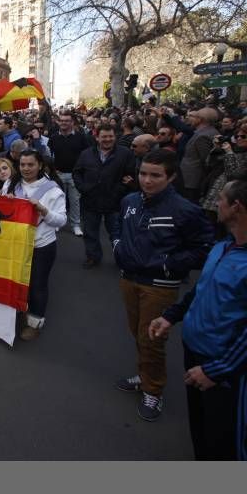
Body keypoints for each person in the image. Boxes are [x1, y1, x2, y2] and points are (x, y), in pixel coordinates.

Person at [149, 179, 247, 459]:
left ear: (236, 207)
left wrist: (219, 370)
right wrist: (171, 316)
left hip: (225, 369)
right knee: (200, 431)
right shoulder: (223, 246)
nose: (216, 203)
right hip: (195, 352)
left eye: (221, 199)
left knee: (224, 442)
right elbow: (202, 289)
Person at [113, 149, 214, 422]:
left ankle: (153, 390)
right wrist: (117, 247)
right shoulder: (129, 200)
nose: (147, 180)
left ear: (170, 177)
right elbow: (118, 226)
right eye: (143, 174)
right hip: (128, 279)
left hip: (159, 286)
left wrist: (168, 263)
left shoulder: (185, 210)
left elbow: (204, 248)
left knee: (152, 339)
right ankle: (145, 375)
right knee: (137, 333)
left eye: (155, 175)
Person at [6, 149, 67, 340]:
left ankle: (35, 321)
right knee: (16, 279)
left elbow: (61, 221)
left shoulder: (53, 190)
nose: (26, 168)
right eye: (22, 164)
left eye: (30, 164)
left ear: (40, 165)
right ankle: (19, 312)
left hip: (41, 245)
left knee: (37, 285)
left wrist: (43, 210)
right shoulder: (11, 183)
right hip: (16, 242)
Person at [73, 123, 137, 268]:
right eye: (104, 136)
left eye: (110, 136)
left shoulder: (125, 153)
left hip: (114, 201)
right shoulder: (86, 154)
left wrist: (119, 191)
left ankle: (121, 258)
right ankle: (93, 257)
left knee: (116, 233)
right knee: (90, 232)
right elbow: (77, 172)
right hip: (90, 200)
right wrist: (83, 187)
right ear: (97, 137)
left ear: (115, 137)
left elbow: (130, 176)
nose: (107, 139)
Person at [48, 111, 90, 236]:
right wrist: (53, 170)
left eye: (67, 120)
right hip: (58, 174)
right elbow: (49, 155)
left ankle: (76, 225)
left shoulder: (81, 137)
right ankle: (57, 223)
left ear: (72, 122)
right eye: (61, 120)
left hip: (74, 175)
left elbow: (86, 155)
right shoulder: (54, 137)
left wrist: (81, 171)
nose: (64, 123)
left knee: (75, 201)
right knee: (57, 200)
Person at [180, 107, 219, 203]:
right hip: (190, 179)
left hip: (192, 181)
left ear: (200, 119)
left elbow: (206, 160)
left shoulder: (204, 135)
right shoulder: (203, 132)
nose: (189, 119)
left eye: (194, 117)